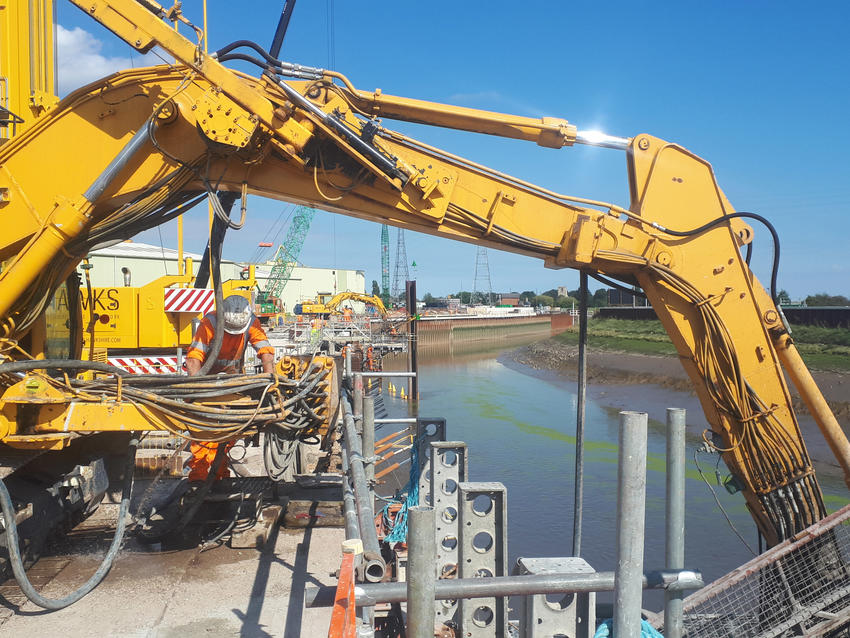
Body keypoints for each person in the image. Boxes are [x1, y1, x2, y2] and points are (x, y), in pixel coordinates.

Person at [185, 295, 275, 481]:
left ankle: (220, 474)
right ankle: (199, 478)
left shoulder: (250, 322)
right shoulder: (209, 323)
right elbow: (194, 358)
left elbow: (266, 352)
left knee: (229, 430)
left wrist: (269, 382)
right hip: (207, 384)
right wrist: (196, 391)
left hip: (233, 382)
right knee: (204, 432)